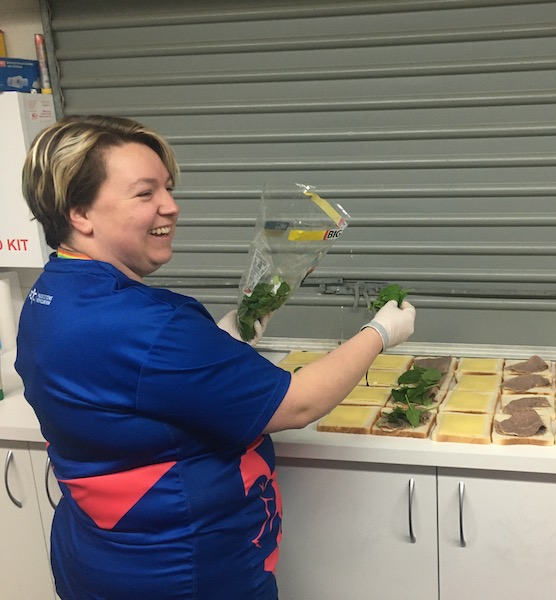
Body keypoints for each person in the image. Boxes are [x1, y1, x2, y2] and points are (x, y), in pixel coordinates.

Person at [15, 115, 416, 599]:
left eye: (167, 187)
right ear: (80, 212)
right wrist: (378, 333)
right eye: (145, 193)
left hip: (100, 555)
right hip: (181, 571)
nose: (171, 206)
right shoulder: (147, 326)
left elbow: (131, 388)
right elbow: (298, 404)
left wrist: (217, 348)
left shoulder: (52, 292)